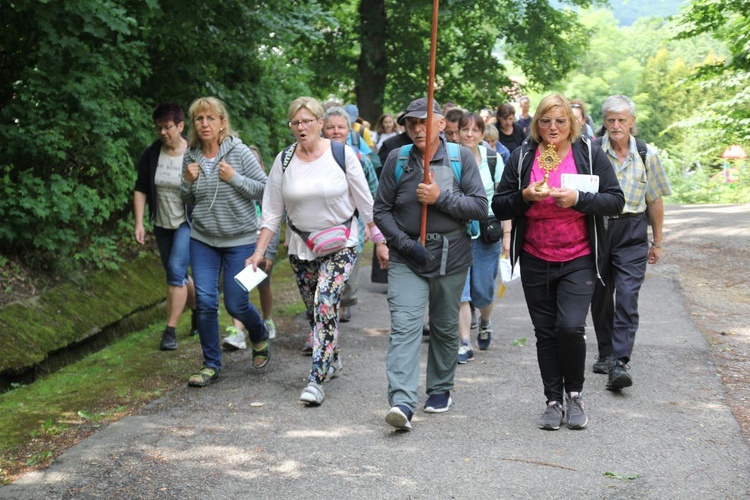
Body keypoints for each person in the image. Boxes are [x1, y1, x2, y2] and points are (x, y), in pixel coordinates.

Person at [492, 94, 624, 431]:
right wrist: (525, 196)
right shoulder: (523, 157)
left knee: (570, 327)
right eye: (546, 121)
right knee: (545, 332)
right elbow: (500, 205)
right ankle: (553, 400)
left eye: (560, 121)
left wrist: (579, 198)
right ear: (536, 124)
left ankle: (575, 394)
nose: (553, 128)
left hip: (578, 256)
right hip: (536, 256)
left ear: (572, 124)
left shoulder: (589, 154)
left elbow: (616, 201)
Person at [247, 96, 388, 406]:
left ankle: (316, 378)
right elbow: (271, 212)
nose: (301, 127)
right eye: (295, 122)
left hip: (341, 242)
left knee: (325, 302)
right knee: (315, 311)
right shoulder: (284, 161)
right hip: (301, 245)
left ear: (320, 123)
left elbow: (366, 203)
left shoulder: (342, 154)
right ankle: (332, 356)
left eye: (307, 121)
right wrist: (259, 251)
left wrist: (379, 240)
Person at [374, 97, 488, 430]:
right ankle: (402, 402)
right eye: (411, 123)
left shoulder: (460, 157)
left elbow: (480, 207)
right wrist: (406, 244)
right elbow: (381, 211)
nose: (418, 128)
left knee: (444, 325)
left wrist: (441, 198)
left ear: (441, 123)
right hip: (408, 258)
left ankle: (440, 388)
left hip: (451, 258)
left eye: (424, 121)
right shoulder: (397, 159)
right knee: (405, 327)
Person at [180, 97, 269, 387]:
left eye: (210, 118)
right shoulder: (190, 155)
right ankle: (211, 365)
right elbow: (187, 199)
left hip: (241, 240)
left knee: (236, 303)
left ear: (222, 122)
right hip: (202, 239)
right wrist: (186, 181)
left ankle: (258, 335)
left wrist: (234, 178)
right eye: (199, 119)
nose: (204, 124)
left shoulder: (239, 152)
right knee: (205, 302)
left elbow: (265, 190)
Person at [590, 94, 672, 391]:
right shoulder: (590, 152)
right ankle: (604, 351)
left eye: (621, 120)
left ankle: (619, 361)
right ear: (604, 121)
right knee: (599, 295)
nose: (615, 125)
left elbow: (655, 199)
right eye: (610, 119)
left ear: (632, 122)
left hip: (632, 231)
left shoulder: (646, 154)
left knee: (626, 295)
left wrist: (658, 242)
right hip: (598, 228)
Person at [133, 102, 198, 351]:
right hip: (161, 223)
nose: (162, 132)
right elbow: (140, 189)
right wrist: (139, 222)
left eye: (167, 127)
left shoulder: (193, 152)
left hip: (186, 222)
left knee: (174, 271)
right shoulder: (151, 154)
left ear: (180, 126)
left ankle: (169, 331)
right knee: (178, 275)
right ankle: (197, 312)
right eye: (159, 128)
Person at [455, 112, 510, 363]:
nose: (469, 134)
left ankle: (485, 321)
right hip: (456, 231)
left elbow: (504, 199)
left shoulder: (492, 159)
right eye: (464, 129)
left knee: (484, 290)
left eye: (474, 130)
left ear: (481, 134)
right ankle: (464, 342)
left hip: (487, 231)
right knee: (460, 291)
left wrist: (508, 235)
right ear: (457, 132)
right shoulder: (448, 158)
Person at [321, 106, 381, 325]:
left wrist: (369, 225)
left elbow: (372, 196)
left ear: (348, 130)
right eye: (331, 127)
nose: (336, 131)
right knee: (323, 285)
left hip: (350, 231)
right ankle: (324, 328)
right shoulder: (311, 159)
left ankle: (338, 310)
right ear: (322, 129)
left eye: (341, 127)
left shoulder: (360, 159)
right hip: (319, 231)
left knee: (345, 284)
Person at [223, 145, 281, 350]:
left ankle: (267, 319)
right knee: (240, 285)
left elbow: (274, 221)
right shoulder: (235, 187)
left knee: (263, 285)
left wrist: (270, 252)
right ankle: (237, 332)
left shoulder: (266, 190)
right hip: (241, 243)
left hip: (263, 246)